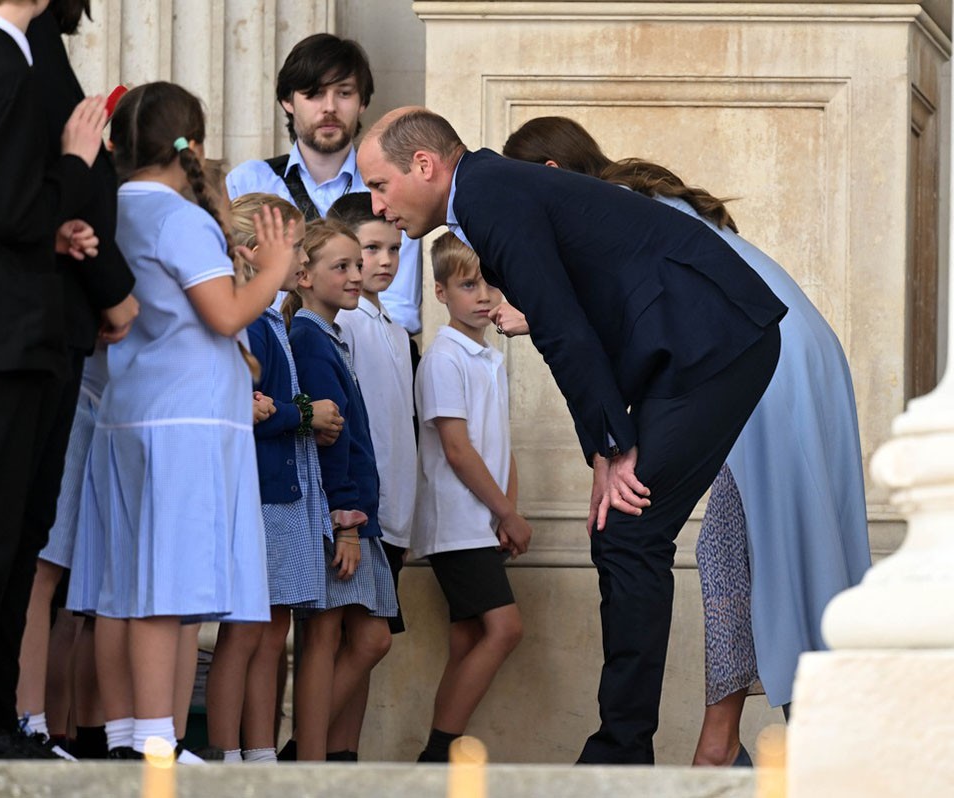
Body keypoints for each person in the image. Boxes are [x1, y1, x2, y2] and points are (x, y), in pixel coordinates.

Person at [357, 107, 786, 765]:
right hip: (694, 346)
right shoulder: (490, 193)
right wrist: (606, 450)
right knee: (620, 530)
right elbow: (585, 314)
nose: (378, 205)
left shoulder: (492, 195)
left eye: (381, 185)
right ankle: (622, 748)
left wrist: (612, 446)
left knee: (630, 530)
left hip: (714, 342)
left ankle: (620, 753)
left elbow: (562, 327)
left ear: (424, 165)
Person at [501, 115, 871, 766]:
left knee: (737, 546)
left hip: (761, 366)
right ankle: (779, 735)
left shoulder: (611, 210)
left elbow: (627, 326)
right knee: (785, 543)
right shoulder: (642, 200)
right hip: (795, 356)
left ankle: (726, 746)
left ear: (550, 178)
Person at [65, 81, 296, 761]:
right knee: (164, 588)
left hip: (128, 413)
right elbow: (223, 313)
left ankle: (126, 736)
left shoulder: (111, 210)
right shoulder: (177, 216)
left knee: (122, 586)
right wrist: (275, 270)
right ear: (190, 142)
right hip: (186, 422)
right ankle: (157, 742)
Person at [16, 0, 139, 758]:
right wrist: (113, 290)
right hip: (30, 329)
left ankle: (21, 721)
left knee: (31, 542)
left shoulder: (36, 46)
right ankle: (24, 719)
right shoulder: (17, 49)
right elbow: (62, 177)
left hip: (50, 327)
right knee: (27, 553)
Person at [0, 0, 112, 760]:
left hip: (27, 340)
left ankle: (1, 719)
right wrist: (74, 164)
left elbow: (15, 206)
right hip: (6, 343)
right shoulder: (4, 60)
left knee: (19, 537)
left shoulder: (20, 56)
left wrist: (55, 217)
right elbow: (10, 205)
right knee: (2, 538)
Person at [206, 193, 345, 764]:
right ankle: (224, 750)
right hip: (259, 495)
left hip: (283, 495)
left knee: (272, 630)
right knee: (244, 632)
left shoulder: (270, 321)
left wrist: (290, 409)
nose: (301, 257)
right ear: (253, 251)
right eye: (291, 245)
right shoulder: (250, 322)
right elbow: (250, 406)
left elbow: (271, 400)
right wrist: (306, 414)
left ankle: (260, 748)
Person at [281, 218, 397, 760]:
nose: (358, 275)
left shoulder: (329, 334)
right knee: (331, 639)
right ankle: (301, 761)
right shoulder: (307, 336)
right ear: (304, 276)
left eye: (358, 264)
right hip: (338, 515)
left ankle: (309, 754)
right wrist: (346, 522)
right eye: (342, 266)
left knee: (363, 638)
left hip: (354, 513)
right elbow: (330, 439)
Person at [412, 232, 527, 762]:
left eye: (488, 283)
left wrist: (509, 509)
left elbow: (500, 444)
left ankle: (437, 763)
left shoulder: (488, 358)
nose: (482, 295)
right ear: (440, 293)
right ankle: (437, 757)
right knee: (505, 629)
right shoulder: (443, 359)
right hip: (457, 524)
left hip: (484, 522)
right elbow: (458, 451)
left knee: (465, 642)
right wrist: (504, 511)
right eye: (466, 285)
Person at [226, 33, 422, 334]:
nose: (329, 107)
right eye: (314, 94)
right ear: (287, 101)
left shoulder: (392, 189)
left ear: (362, 103)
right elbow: (227, 291)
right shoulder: (249, 181)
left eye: (344, 93)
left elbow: (401, 307)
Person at [326, 192, 416, 761]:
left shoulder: (390, 325)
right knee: (354, 643)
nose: (381, 262)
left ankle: (342, 761)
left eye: (393, 250)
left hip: (394, 513)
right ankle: (300, 749)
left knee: (360, 654)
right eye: (368, 251)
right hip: (362, 510)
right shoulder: (349, 321)